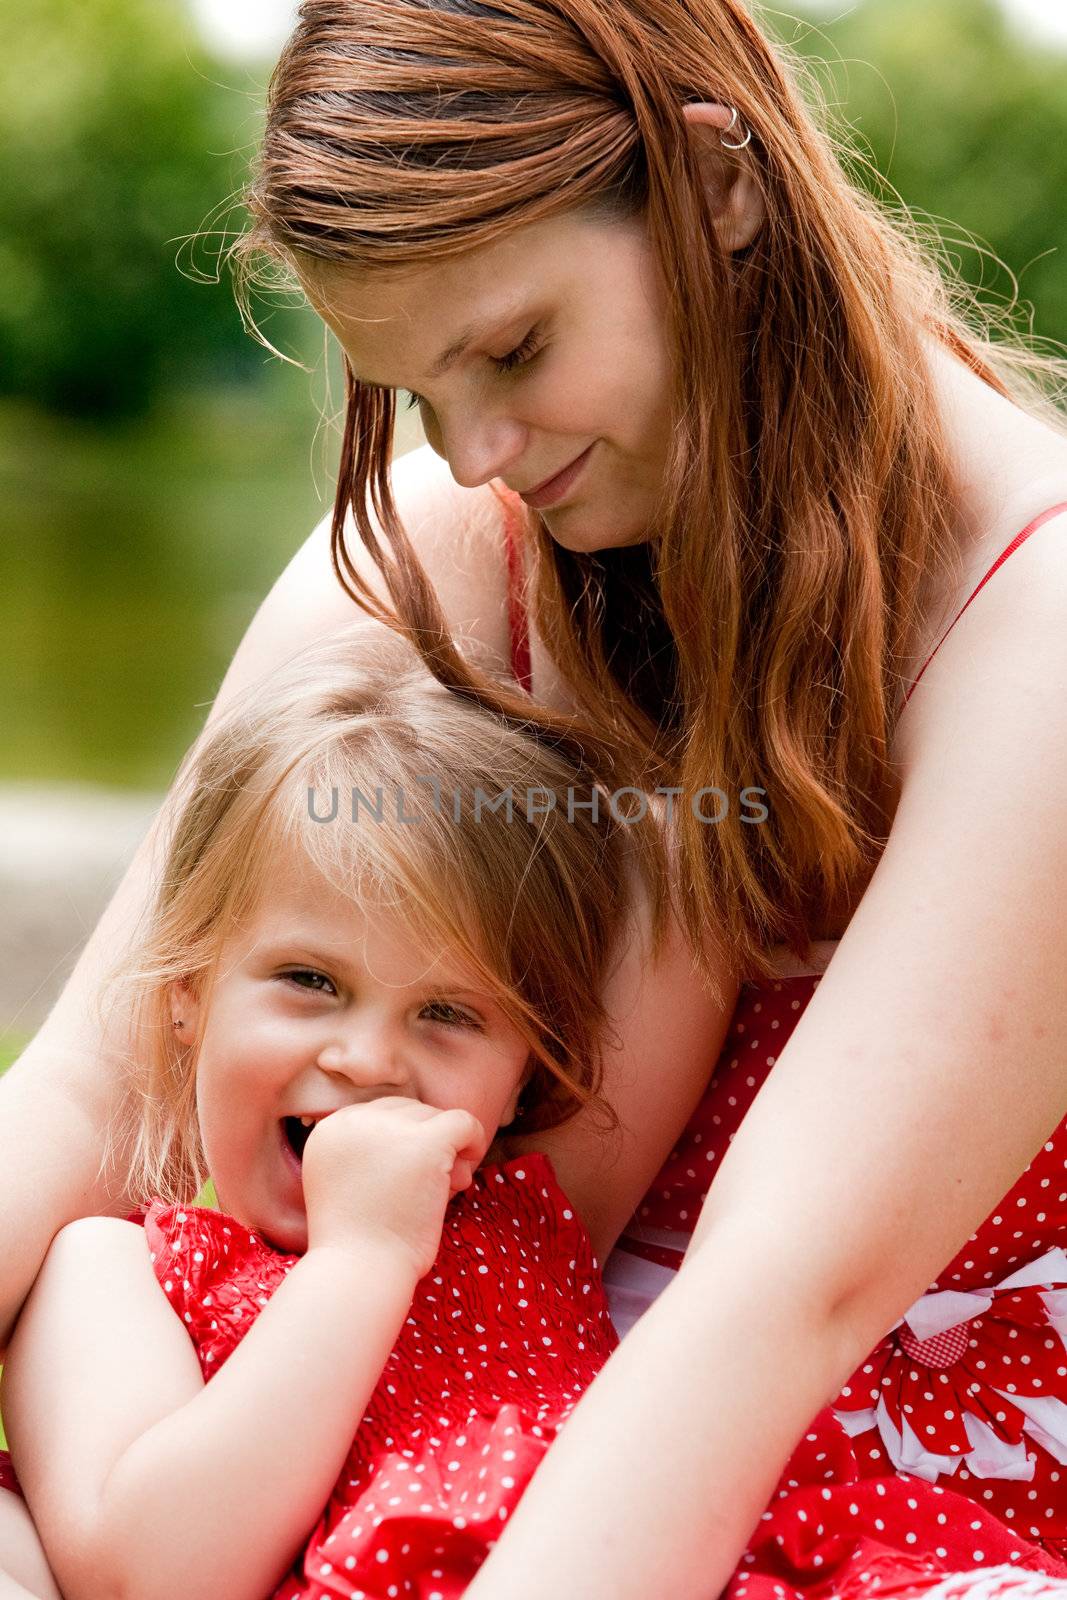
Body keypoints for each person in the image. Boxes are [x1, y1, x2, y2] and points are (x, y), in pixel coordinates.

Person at [3, 0, 1067, 1594]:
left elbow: (774, 1308)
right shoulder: (470, 542)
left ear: (717, 189)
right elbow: (98, 1087)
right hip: (384, 1427)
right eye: (417, 394)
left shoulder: (1027, 637)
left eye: (510, 350)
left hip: (833, 1484)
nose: (478, 452)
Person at [0, 623, 640, 1600]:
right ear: (188, 994)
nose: (367, 1059)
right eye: (309, 979)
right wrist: (360, 1261)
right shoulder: (114, 1276)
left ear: (520, 1076)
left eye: (445, 1013)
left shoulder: (527, 1223)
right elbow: (158, 1577)